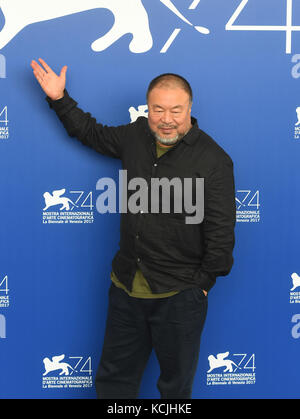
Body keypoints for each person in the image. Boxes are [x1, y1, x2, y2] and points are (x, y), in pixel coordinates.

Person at [30, 58, 236, 399]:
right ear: (148, 108)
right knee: (114, 385)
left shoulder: (213, 160)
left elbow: (221, 233)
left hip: (179, 296)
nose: (166, 119)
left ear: (189, 108)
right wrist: (59, 97)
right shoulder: (135, 135)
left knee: (174, 391)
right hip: (125, 288)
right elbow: (90, 132)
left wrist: (200, 287)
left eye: (175, 110)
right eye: (158, 109)